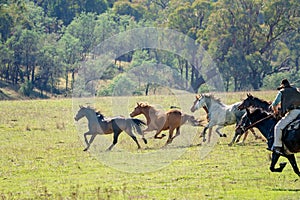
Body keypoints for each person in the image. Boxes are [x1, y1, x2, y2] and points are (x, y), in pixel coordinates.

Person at [271, 79, 300, 155]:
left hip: (293, 112)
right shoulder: (296, 90)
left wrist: (275, 111)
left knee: (278, 127)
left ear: (282, 85)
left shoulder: (282, 92)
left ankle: (277, 147)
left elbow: (274, 104)